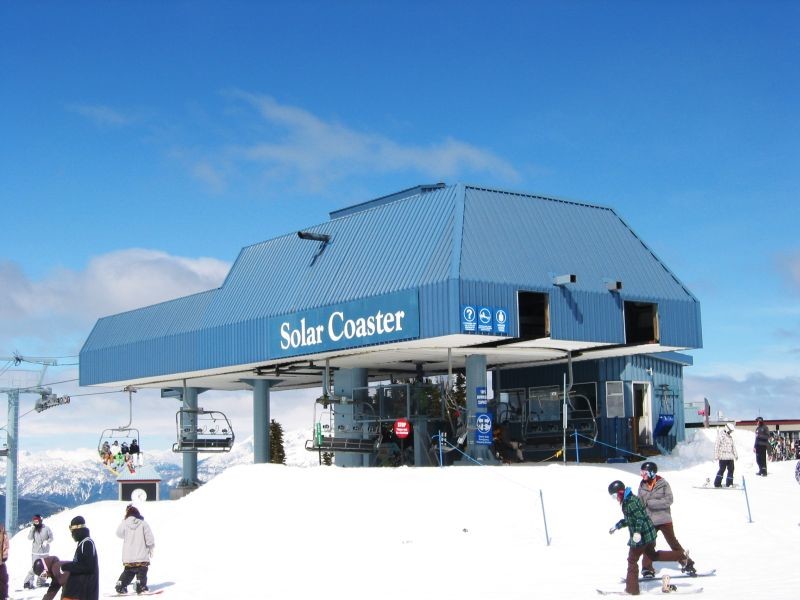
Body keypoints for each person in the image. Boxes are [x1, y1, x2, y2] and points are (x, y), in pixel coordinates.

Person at [608, 480, 692, 595]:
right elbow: (631, 519)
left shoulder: (630, 502)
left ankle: (632, 590)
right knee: (653, 555)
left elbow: (639, 518)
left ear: (620, 492)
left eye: (614, 496)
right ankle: (681, 555)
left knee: (632, 560)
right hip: (649, 534)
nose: (615, 499)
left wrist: (637, 532)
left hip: (641, 536)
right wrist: (617, 526)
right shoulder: (629, 499)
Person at [637, 461, 696, 579]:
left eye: (645, 473)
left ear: (652, 473)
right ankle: (647, 569)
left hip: (664, 519)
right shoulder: (642, 485)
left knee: (673, 542)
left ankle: (687, 563)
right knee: (648, 544)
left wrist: (651, 503)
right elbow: (640, 501)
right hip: (650, 521)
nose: (642, 475)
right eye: (641, 473)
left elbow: (669, 500)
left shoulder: (663, 484)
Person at [115, 504, 155, 594]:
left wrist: (124, 522)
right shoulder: (143, 523)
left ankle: (121, 585)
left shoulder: (125, 523)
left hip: (128, 557)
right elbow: (150, 539)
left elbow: (118, 533)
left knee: (128, 571)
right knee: (142, 571)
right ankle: (140, 585)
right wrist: (150, 547)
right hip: (141, 555)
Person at [61, 516, 99, 600]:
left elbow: (88, 567)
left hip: (86, 591)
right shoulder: (82, 543)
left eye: (72, 531)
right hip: (80, 590)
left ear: (78, 530)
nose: (72, 534)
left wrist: (68, 566)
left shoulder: (87, 543)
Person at [23, 514, 54, 589]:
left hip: (45, 552)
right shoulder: (34, 529)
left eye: (37, 521)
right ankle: (28, 582)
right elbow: (29, 538)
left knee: (45, 567)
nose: (35, 523)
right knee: (34, 567)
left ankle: (41, 582)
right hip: (36, 552)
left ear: (40, 521)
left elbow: (51, 538)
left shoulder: (46, 528)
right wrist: (32, 530)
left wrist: (47, 541)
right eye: (34, 522)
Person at [713, 423, 738, 487]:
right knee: (722, 470)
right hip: (723, 457)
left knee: (731, 470)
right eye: (730, 431)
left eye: (731, 431)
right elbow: (716, 446)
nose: (730, 432)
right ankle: (717, 483)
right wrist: (716, 455)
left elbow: (733, 446)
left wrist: (736, 455)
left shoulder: (730, 437)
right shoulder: (720, 436)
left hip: (730, 457)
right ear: (727, 429)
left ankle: (729, 483)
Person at [0, 523, 8, 600]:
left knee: (3, 579)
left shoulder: (3, 533)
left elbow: (6, 546)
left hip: (1, 562)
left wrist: (4, 557)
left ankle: (3, 596)